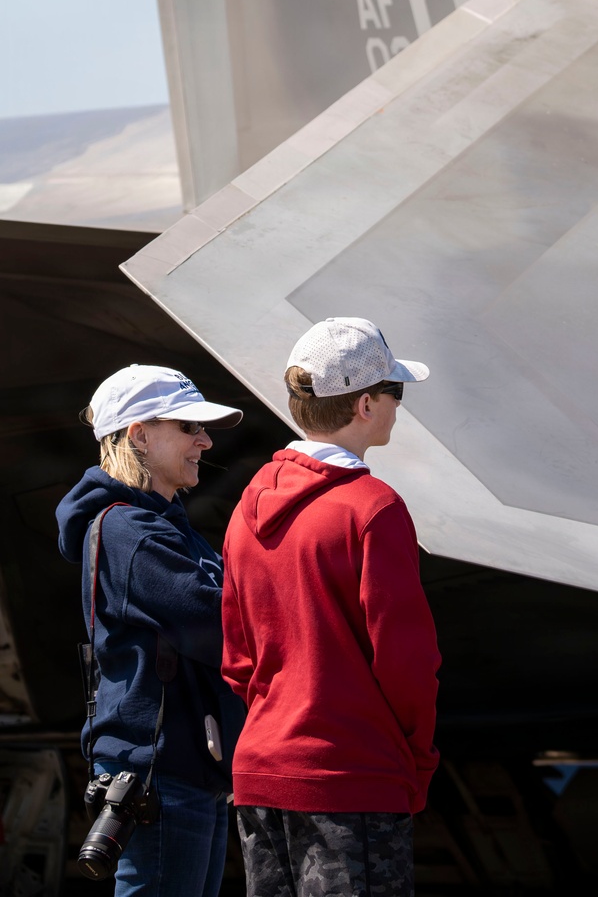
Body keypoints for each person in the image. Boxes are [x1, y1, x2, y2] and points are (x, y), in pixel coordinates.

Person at [221, 317, 441, 897]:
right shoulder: (373, 509)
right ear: (366, 404)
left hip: (261, 770)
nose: (398, 406)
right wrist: (415, 762)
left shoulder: (248, 505)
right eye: (395, 392)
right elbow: (406, 660)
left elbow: (238, 658)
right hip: (351, 776)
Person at [56, 364, 246, 897]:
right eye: (189, 427)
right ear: (139, 436)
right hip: (163, 777)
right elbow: (220, 625)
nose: (205, 441)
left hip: (185, 774)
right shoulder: (127, 530)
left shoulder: (162, 527)